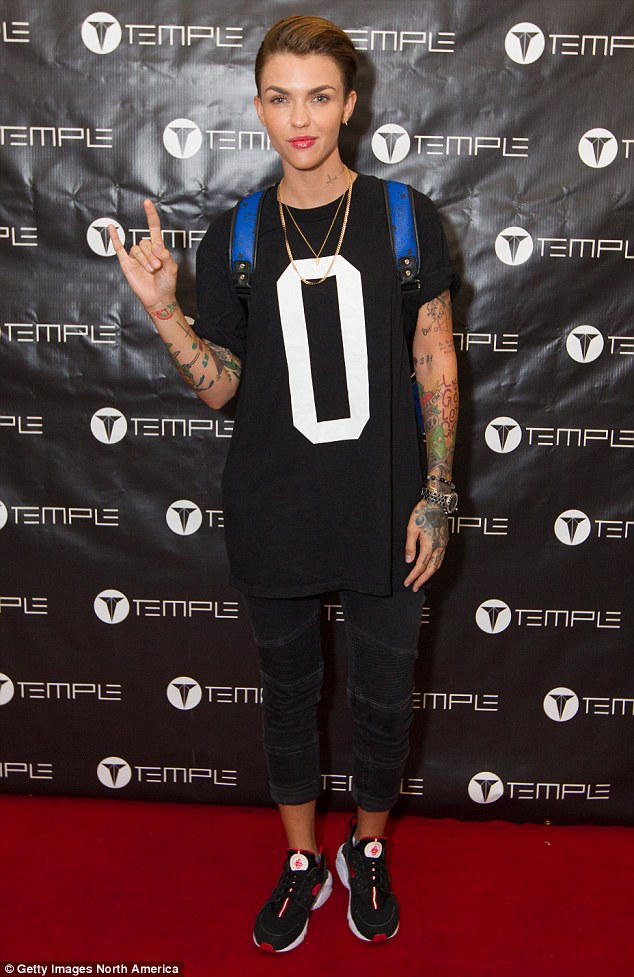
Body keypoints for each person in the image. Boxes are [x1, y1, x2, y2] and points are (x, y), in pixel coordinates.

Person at [109, 14, 460, 954]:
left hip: (387, 506)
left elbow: (435, 356)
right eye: (279, 97)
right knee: (288, 695)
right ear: (258, 107)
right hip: (274, 505)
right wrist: (167, 315)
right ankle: (303, 857)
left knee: (384, 698)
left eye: (318, 96)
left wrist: (437, 492)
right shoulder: (237, 234)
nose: (299, 118)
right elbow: (225, 386)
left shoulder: (403, 217)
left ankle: (367, 847)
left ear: (349, 104)